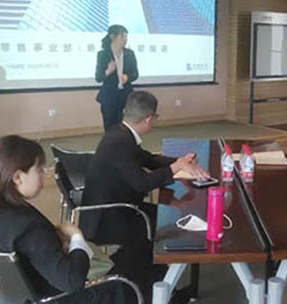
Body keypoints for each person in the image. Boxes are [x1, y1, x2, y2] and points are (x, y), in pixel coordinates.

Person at [79, 91, 209, 300]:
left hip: (117, 206)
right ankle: (156, 289)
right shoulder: (120, 142)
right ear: (149, 119)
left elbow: (147, 159)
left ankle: (160, 281)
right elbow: (142, 183)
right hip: (108, 217)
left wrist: (179, 161)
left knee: (165, 216)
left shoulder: (120, 133)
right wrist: (176, 168)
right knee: (166, 222)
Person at [0, 136, 126, 304]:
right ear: (18, 177)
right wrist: (76, 237)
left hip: (17, 293)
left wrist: (51, 240)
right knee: (123, 285)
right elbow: (73, 281)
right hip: (51, 296)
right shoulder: (30, 227)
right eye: (39, 170)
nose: (45, 175)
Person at [95, 25, 139, 132]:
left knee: (125, 127)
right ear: (113, 37)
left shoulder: (129, 54)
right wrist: (108, 71)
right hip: (109, 97)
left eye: (126, 36)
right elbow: (98, 77)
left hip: (126, 96)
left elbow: (135, 74)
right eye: (122, 36)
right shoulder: (103, 55)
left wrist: (127, 77)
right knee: (110, 127)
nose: (125, 39)